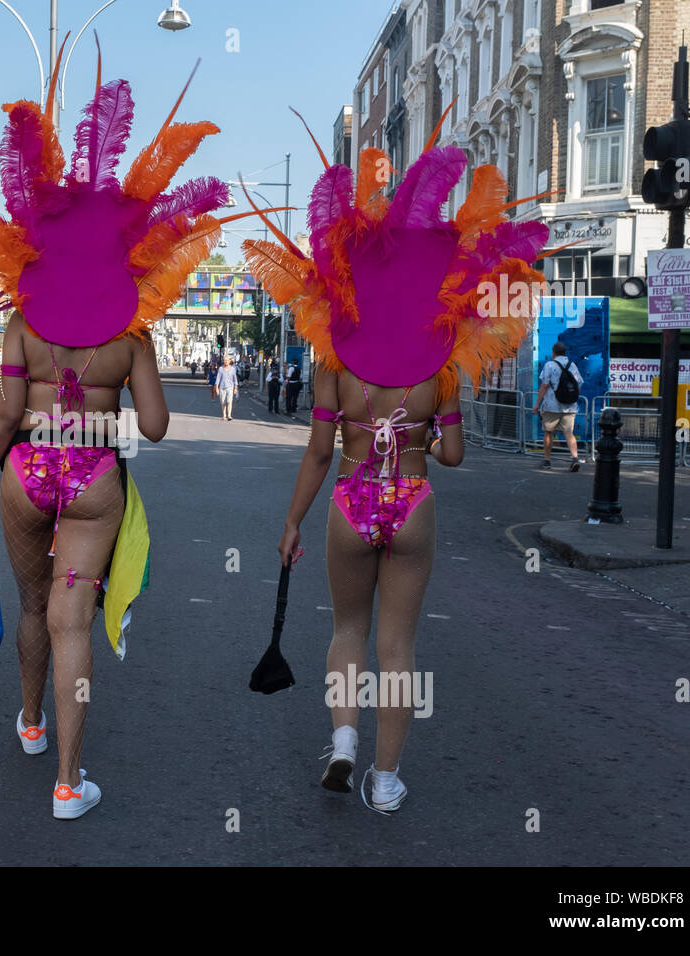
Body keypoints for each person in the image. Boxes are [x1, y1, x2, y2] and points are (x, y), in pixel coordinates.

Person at [0, 61, 228, 819]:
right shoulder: (130, 338)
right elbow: (158, 427)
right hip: (95, 483)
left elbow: (4, 417)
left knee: (34, 606)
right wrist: (123, 388)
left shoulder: (21, 325)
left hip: (24, 475)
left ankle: (31, 723)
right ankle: (70, 783)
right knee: (73, 621)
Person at [247, 112, 548, 813]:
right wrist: (437, 420)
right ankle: (385, 780)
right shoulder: (436, 368)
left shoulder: (333, 363)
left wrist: (292, 521)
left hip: (351, 498)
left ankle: (344, 741)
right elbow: (453, 454)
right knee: (398, 646)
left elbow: (320, 451)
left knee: (346, 629)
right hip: (410, 498)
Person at [533, 341, 584, 471]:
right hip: (569, 406)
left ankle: (547, 461)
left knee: (548, 432)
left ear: (553, 352)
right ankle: (574, 458)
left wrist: (537, 404)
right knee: (569, 433)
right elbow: (578, 386)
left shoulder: (550, 365)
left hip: (552, 406)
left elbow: (544, 386)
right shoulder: (572, 365)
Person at [215, 354, 238, 420]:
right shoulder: (221, 369)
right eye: (224, 360)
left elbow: (235, 379)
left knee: (229, 401)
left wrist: (235, 388)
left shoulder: (233, 369)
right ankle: (224, 415)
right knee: (223, 402)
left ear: (229, 361)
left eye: (227, 360)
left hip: (230, 387)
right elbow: (218, 378)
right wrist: (216, 388)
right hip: (222, 388)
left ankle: (229, 415)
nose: (226, 361)